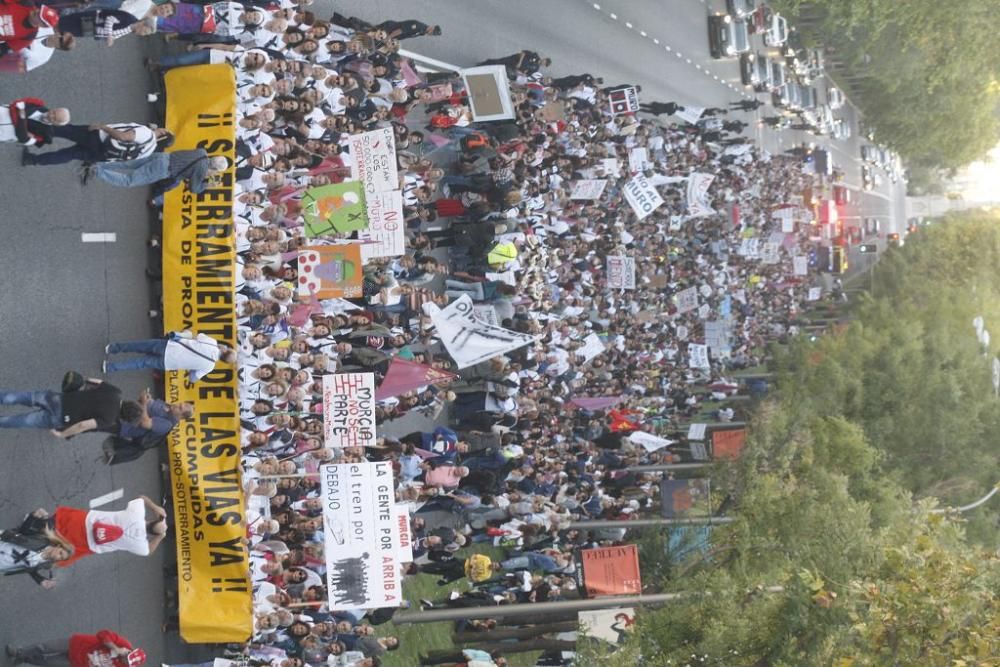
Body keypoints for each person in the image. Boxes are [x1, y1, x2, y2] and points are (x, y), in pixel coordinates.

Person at [40, 496, 168, 567]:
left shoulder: (136, 514)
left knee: (57, 522)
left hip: (86, 521)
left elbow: (142, 498)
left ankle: (36, 520)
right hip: (89, 544)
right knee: (58, 549)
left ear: (152, 520)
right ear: (151, 534)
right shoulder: (140, 544)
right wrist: (160, 536)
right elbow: (148, 551)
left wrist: (156, 507)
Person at [0, 376, 130, 437]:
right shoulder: (109, 420)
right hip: (62, 417)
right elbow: (83, 425)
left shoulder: (116, 392)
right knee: (22, 420)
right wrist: (62, 435)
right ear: (124, 419)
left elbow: (93, 381)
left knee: (23, 397)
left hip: (62, 398)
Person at [103, 329, 236, 382]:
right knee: (140, 363)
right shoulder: (209, 367)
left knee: (138, 345)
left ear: (225, 350)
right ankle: (110, 367)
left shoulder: (212, 343)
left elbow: (196, 336)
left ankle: (112, 348)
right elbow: (193, 379)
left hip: (169, 346)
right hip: (170, 363)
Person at [22, 122, 174, 166]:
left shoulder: (146, 133)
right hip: (103, 155)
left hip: (99, 138)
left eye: (164, 129)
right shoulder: (149, 150)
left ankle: (27, 127)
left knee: (66, 130)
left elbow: (123, 136)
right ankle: (32, 160)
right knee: (68, 155)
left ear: (162, 134)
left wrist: (103, 127)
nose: (161, 127)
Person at [85, 150, 229, 191]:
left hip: (163, 156)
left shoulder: (202, 152)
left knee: (127, 164)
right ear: (215, 169)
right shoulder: (202, 169)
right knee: (129, 181)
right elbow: (194, 188)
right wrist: (208, 184)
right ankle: (96, 170)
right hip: (163, 169)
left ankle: (97, 163)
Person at [0, 510, 74, 588]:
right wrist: (33, 516)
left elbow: (31, 570)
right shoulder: (42, 540)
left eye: (61, 558)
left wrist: (41, 580)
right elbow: (23, 531)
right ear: (58, 546)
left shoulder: (46, 564)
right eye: (60, 553)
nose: (58, 557)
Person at [6, 629, 145, 667]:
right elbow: (102, 634)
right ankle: (19, 652)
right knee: (44, 647)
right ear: (130, 651)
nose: (125, 661)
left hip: (77, 663)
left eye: (129, 663)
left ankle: (25, 659)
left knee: (46, 662)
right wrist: (115, 648)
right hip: (77, 644)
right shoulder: (123, 644)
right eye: (127, 657)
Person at [0, 97, 69, 145]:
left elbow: (22, 138)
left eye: (55, 119)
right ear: (55, 108)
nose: (51, 116)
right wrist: (22, 128)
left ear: (56, 124)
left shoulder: (45, 134)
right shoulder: (38, 103)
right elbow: (15, 104)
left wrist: (22, 116)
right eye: (54, 112)